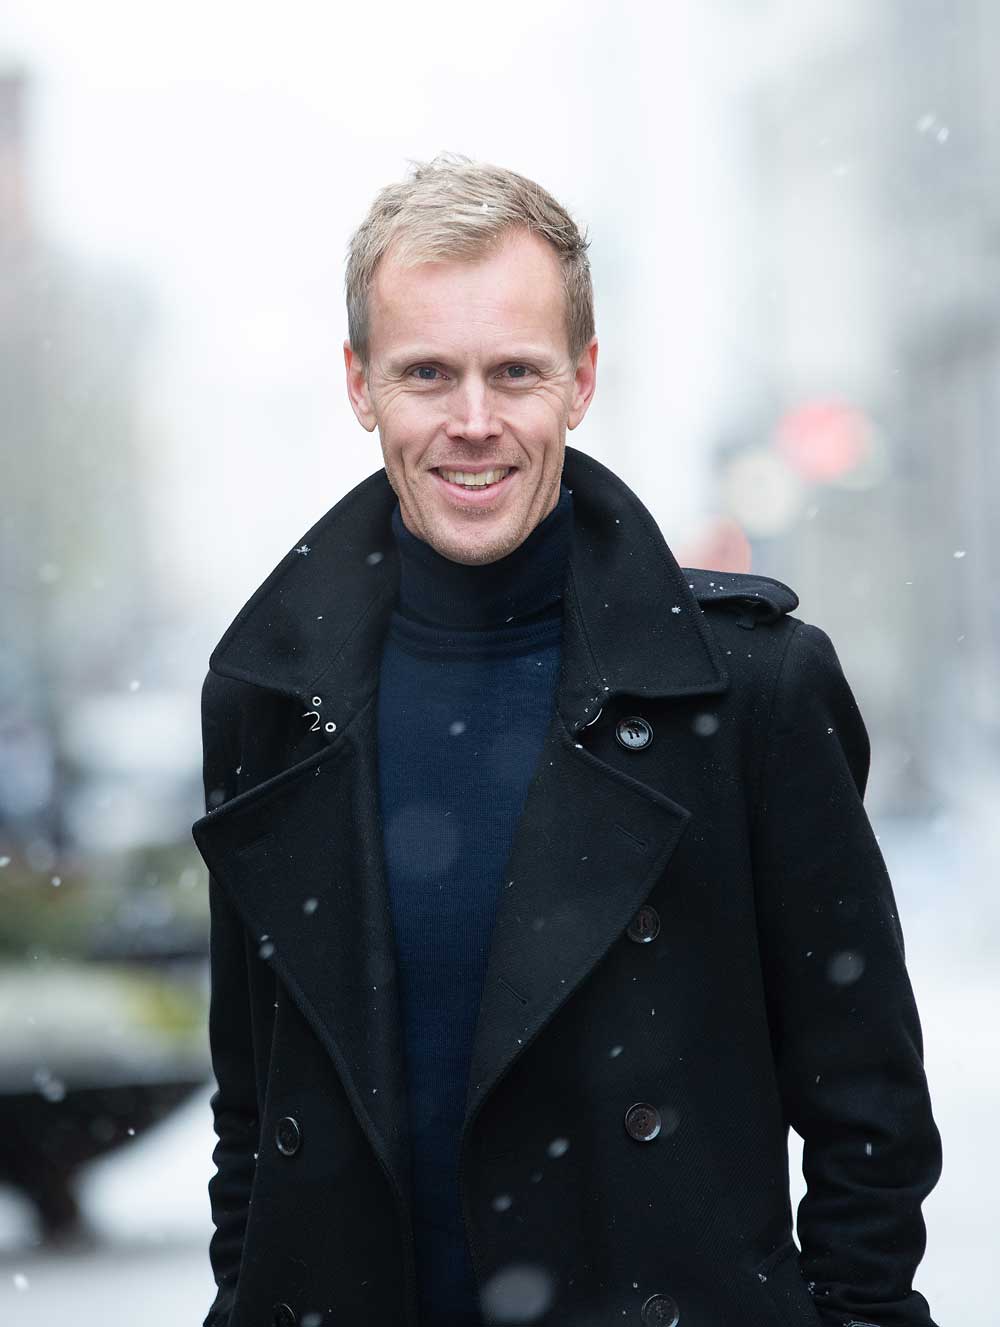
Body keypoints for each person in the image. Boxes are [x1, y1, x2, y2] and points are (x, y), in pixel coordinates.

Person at [191, 153, 941, 1327]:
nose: (473, 422)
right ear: (358, 385)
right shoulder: (266, 699)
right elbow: (256, 1108)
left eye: (516, 372)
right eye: (427, 372)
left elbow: (868, 1108)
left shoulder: (749, 691)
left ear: (582, 380)